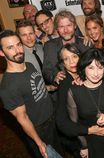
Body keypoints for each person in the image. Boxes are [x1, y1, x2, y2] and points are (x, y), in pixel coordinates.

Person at [0, 30, 61, 158]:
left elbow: (36, 88)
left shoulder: (28, 65)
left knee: (60, 152)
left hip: (52, 119)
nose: (17, 50)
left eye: (18, 44)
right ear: (1, 52)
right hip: (39, 130)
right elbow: (23, 118)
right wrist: (39, 143)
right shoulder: (8, 87)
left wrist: (50, 87)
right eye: (10, 47)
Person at [65, 48, 104, 158]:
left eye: (100, 68)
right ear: (83, 68)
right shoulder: (74, 91)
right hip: (91, 141)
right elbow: (74, 125)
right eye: (91, 68)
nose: (96, 73)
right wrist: (84, 146)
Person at [43, 10, 90, 85]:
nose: (65, 30)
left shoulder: (86, 44)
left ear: (75, 26)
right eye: (61, 26)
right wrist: (54, 77)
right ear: (57, 28)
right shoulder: (49, 46)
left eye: (69, 25)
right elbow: (46, 71)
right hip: (62, 91)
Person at [56, 43, 81, 157]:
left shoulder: (87, 74)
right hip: (77, 138)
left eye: (74, 56)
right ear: (63, 63)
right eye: (66, 58)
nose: (71, 62)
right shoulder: (65, 84)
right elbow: (62, 120)